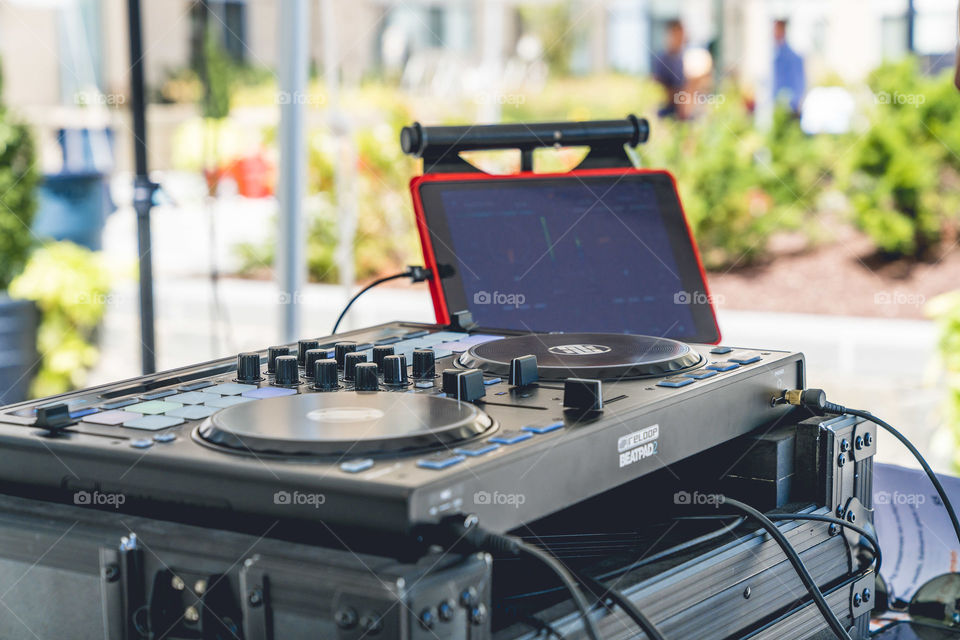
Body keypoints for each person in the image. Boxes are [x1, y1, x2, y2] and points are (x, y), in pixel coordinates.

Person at [652, 19, 687, 119]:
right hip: (667, 110)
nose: (680, 39)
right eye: (676, 35)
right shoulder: (662, 59)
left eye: (681, 35)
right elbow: (660, 89)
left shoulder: (685, 57)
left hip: (684, 109)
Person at [772, 19, 806, 115]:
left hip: (790, 108)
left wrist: (795, 103)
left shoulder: (793, 57)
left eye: (776, 29)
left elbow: (799, 83)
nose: (774, 33)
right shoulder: (776, 54)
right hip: (778, 106)